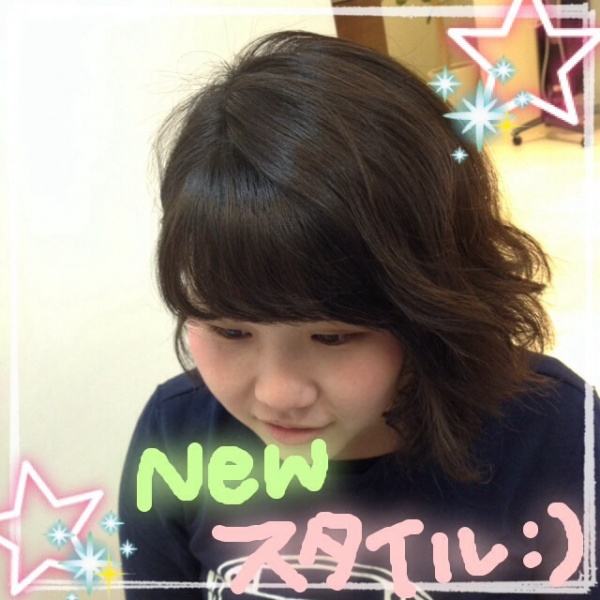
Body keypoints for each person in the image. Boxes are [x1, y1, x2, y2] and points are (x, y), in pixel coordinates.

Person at [118, 30, 598, 599]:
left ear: (430, 305)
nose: (278, 393)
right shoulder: (176, 436)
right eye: (230, 329)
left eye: (333, 337)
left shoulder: (555, 436)